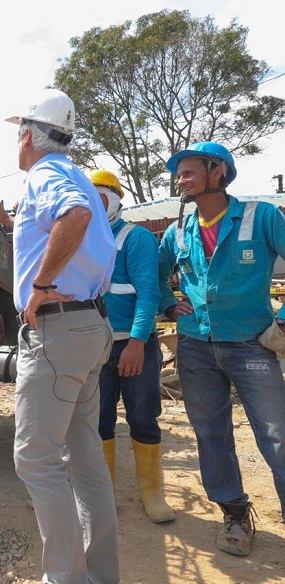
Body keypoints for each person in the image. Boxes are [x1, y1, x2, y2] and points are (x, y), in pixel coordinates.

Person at [0, 89, 119, 584]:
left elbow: (75, 218)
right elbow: (70, 220)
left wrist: (40, 287)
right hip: (87, 326)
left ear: (27, 136)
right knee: (84, 458)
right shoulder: (73, 174)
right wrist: (9, 220)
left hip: (60, 330)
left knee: (35, 458)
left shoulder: (43, 173)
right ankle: (99, 575)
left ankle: (66, 579)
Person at [158, 141, 285, 556]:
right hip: (195, 347)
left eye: (189, 171)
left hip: (252, 347)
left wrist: (282, 323)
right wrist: (165, 302)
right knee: (211, 433)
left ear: (218, 172)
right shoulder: (178, 231)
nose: (181, 180)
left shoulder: (261, 216)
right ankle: (234, 513)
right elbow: (154, 272)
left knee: (276, 435)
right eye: (179, 173)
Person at [89, 169, 174, 524]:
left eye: (101, 197)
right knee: (99, 420)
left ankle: (152, 493)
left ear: (117, 201)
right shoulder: (82, 239)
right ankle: (103, 494)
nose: (94, 205)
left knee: (142, 416)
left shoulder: (135, 238)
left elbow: (149, 291)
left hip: (134, 345)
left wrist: (137, 342)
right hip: (95, 348)